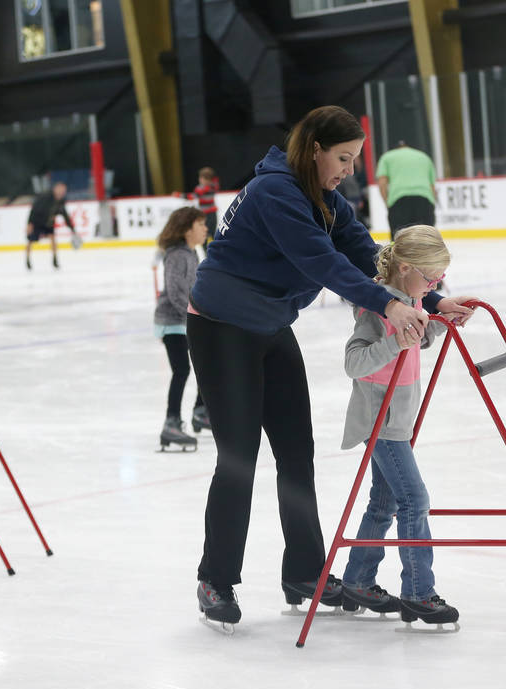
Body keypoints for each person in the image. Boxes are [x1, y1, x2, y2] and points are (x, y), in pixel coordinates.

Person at [187, 105, 475, 630]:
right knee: (239, 459)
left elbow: (366, 253)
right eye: (342, 158)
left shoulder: (325, 199)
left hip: (271, 328)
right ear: (314, 148)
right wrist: (389, 306)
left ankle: (304, 572)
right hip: (222, 328)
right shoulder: (276, 192)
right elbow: (322, 264)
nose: (348, 169)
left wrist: (429, 303)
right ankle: (216, 578)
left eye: (354, 160)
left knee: (297, 452)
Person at [340, 225, 463, 626]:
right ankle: (418, 593)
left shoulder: (410, 299)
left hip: (397, 418)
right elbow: (354, 363)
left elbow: (419, 339)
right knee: (414, 499)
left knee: (385, 501)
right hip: (381, 421)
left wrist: (442, 318)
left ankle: (358, 580)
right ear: (406, 268)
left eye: (439, 281)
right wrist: (396, 341)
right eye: (431, 279)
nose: (434, 286)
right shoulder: (378, 308)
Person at [154, 206, 211, 450]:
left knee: (205, 363)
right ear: (188, 229)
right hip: (172, 322)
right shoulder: (177, 255)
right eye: (201, 225)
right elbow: (176, 291)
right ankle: (171, 423)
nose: (206, 229)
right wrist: (194, 316)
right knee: (182, 370)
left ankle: (200, 411)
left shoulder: (191, 252)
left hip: (186, 319)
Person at [376, 140, 436, 240]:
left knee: (399, 240)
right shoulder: (424, 157)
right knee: (426, 240)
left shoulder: (387, 157)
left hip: (399, 200)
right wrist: (431, 204)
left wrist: (387, 202)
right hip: (424, 200)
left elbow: (382, 182)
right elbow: (432, 186)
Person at [26, 181, 79, 269]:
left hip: (48, 223)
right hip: (37, 222)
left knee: (53, 239)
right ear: (55, 189)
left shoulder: (61, 201)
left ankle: (55, 260)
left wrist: (72, 229)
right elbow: (34, 209)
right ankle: (27, 260)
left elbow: (65, 215)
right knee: (30, 241)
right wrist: (30, 224)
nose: (62, 192)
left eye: (64, 191)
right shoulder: (45, 197)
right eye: (61, 190)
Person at [177, 167, 220, 244]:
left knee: (204, 235)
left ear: (204, 179)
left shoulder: (201, 188)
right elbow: (216, 180)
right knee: (212, 234)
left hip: (205, 214)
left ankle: (207, 252)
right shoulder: (213, 186)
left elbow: (191, 197)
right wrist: (211, 176)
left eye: (201, 178)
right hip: (212, 213)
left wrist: (179, 195)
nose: (200, 179)